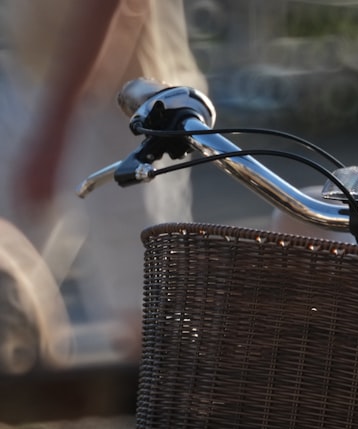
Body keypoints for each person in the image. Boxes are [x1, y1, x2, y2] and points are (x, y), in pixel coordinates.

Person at [0, 0, 206, 369]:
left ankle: (164, 419)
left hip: (128, 101)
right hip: (28, 81)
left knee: (147, 318)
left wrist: (54, 133)